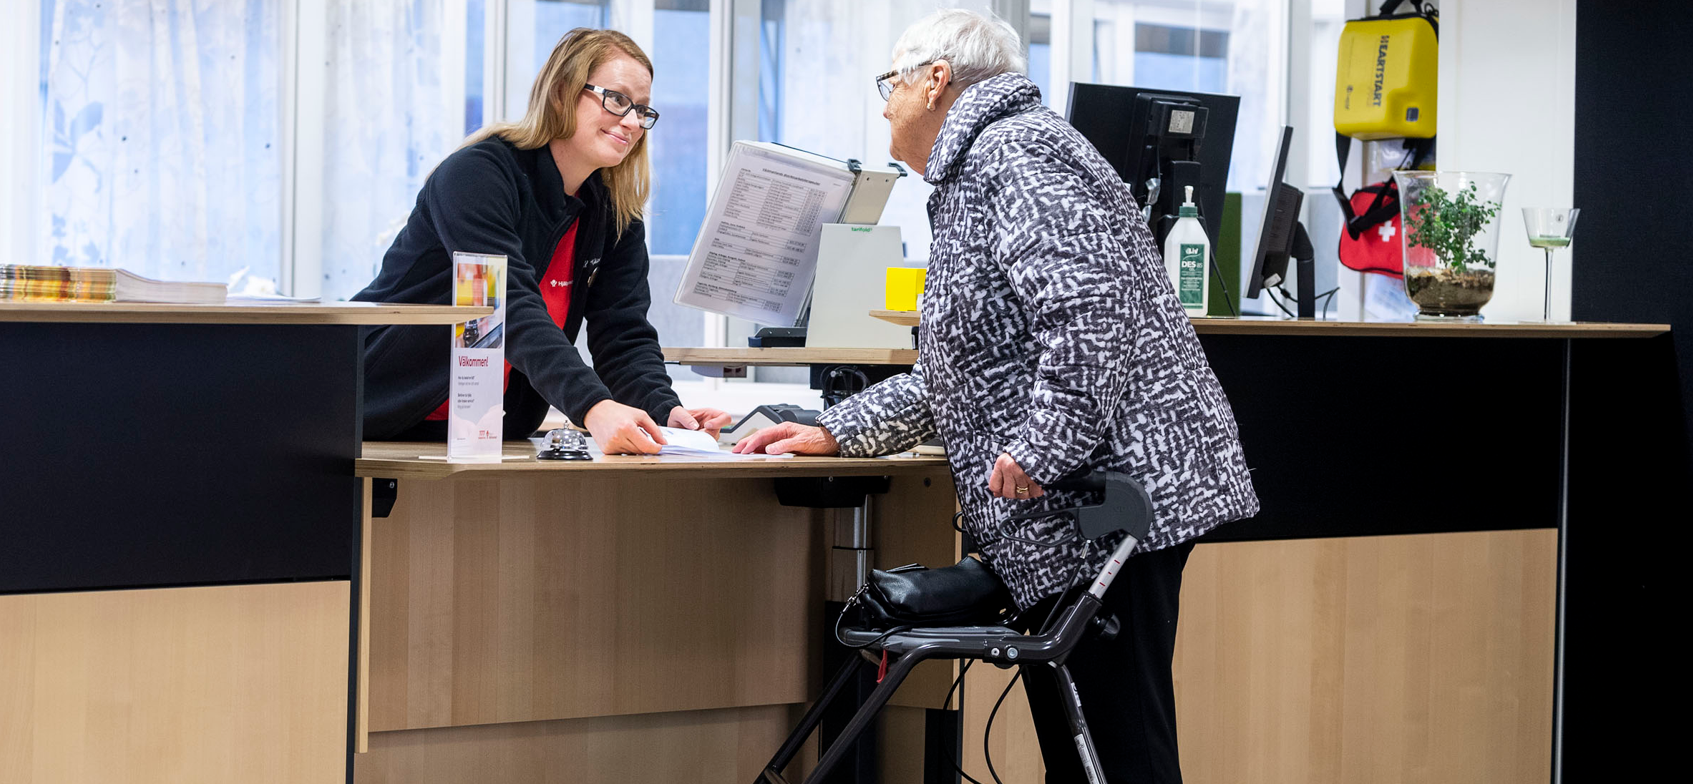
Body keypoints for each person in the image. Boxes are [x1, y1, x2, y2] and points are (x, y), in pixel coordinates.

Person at [731, 10, 1258, 784]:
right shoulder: (982, 164)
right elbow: (962, 371)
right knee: (1087, 754)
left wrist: (1045, 446)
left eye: (892, 83)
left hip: (1112, 500)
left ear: (936, 79)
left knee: (1118, 751)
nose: (885, 103)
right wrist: (837, 430)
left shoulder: (1014, 154)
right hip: (1082, 502)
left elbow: (1089, 309)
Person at [352, 28, 730, 453]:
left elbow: (623, 335)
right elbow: (505, 307)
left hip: (490, 435)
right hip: (370, 418)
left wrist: (664, 411)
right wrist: (593, 406)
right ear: (561, 93)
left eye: (642, 109)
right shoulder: (478, 176)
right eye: (617, 99)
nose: (631, 122)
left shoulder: (615, 214)